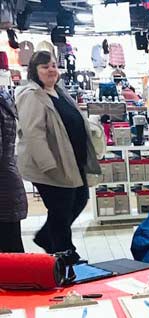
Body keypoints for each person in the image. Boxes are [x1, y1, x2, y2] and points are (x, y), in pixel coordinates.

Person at [16, 51, 101, 263]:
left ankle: (46, 237)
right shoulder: (31, 95)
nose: (51, 70)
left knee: (80, 200)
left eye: (53, 65)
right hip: (52, 165)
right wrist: (48, 165)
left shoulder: (58, 92)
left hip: (72, 161)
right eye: (45, 67)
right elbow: (33, 133)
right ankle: (65, 255)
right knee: (60, 210)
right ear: (34, 71)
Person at [0, 83, 27, 252]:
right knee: (13, 255)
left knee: (10, 258)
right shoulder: (4, 99)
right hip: (7, 185)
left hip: (3, 189)